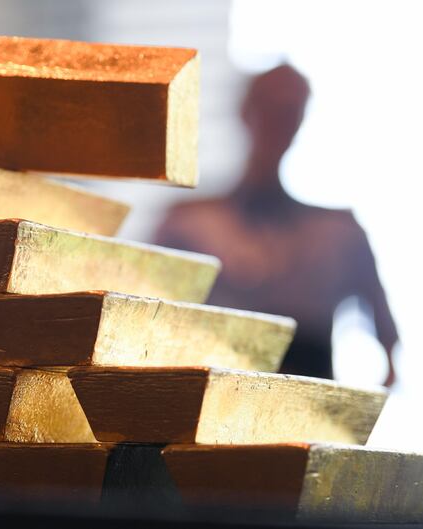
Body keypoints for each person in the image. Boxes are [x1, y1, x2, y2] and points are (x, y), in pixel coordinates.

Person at [156, 64, 397, 386]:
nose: (277, 124)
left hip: (308, 401)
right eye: (269, 109)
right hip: (213, 393)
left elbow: (388, 349)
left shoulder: (339, 233)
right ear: (246, 112)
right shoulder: (190, 225)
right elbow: (149, 323)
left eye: (288, 113)